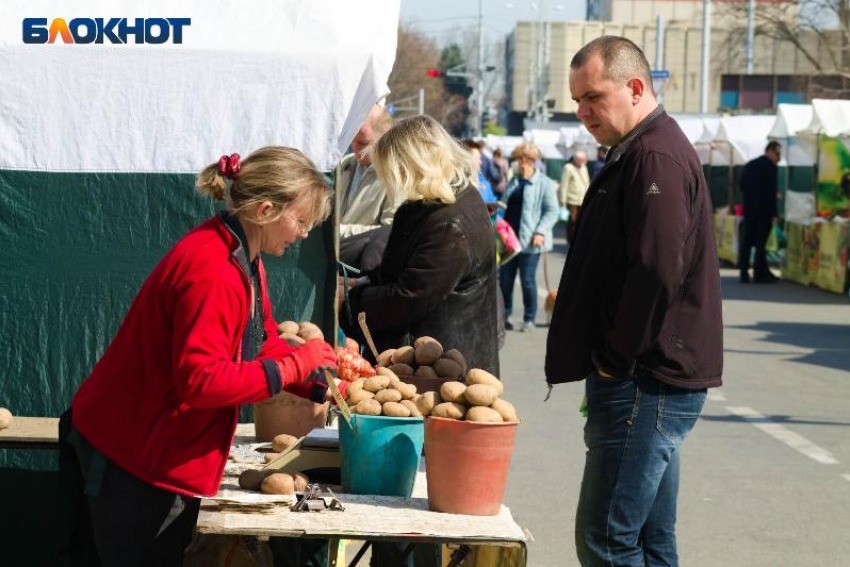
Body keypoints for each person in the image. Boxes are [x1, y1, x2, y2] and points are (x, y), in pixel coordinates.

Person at [59, 147, 341, 566]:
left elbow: (257, 339)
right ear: (265, 210)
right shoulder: (213, 270)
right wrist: (295, 365)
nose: (303, 234)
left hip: (147, 449)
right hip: (130, 458)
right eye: (300, 221)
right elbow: (201, 380)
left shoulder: (244, 255)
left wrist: (320, 382)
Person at [545, 36, 722, 567]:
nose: (582, 112)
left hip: (645, 380)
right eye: (577, 100)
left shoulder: (655, 157)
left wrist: (614, 359)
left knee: (607, 540)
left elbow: (655, 271)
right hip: (649, 377)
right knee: (646, 540)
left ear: (635, 88)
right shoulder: (643, 151)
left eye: (593, 97)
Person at [345, 115, 499, 376]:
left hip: (442, 365)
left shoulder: (449, 223)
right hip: (428, 358)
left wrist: (350, 300)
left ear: (412, 166)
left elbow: (409, 297)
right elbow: (398, 270)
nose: (389, 181)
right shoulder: (432, 203)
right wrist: (359, 283)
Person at [498, 142, 558, 332]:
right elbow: (505, 206)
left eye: (525, 159)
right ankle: (505, 315)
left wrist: (540, 232)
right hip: (509, 240)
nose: (521, 162)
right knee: (505, 279)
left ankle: (529, 318)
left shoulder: (545, 183)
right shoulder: (513, 181)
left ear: (532, 161)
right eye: (518, 159)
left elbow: (551, 211)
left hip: (531, 240)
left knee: (527, 279)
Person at [336, 105, 400, 270]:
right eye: (353, 141)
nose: (356, 147)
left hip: (364, 266)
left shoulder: (396, 176)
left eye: (363, 143)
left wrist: (338, 231)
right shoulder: (345, 165)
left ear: (385, 137)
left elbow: (389, 233)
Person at [738, 141, 782, 283]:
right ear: (770, 151)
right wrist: (774, 213)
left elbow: (742, 185)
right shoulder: (771, 168)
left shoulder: (750, 165)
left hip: (749, 210)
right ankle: (759, 272)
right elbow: (771, 193)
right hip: (764, 212)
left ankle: (744, 271)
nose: (778, 157)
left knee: (747, 241)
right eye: (777, 153)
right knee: (761, 243)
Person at [560, 149, 591, 243]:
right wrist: (563, 199)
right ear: (576, 159)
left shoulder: (584, 167)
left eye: (584, 160)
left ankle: (579, 239)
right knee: (572, 221)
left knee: (581, 221)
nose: (584, 162)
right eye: (582, 160)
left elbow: (587, 182)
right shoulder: (568, 167)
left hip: (583, 198)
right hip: (572, 199)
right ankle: (571, 240)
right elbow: (564, 184)